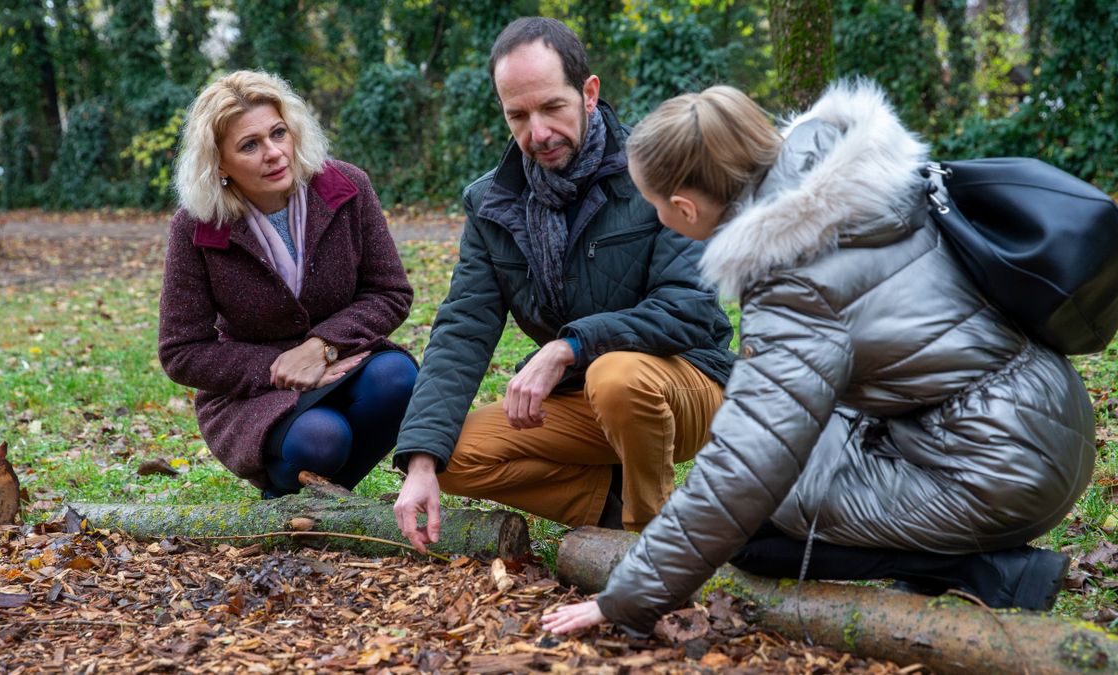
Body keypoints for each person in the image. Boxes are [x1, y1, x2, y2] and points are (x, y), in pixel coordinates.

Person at [542, 81, 1096, 635]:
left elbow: (742, 470)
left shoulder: (792, 282)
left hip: (998, 471)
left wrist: (625, 598)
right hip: (1043, 422)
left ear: (685, 207)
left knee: (754, 529)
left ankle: (991, 572)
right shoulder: (846, 184)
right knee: (782, 476)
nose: (658, 217)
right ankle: (951, 559)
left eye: (656, 205)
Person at [391, 17, 737, 548]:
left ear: (588, 93)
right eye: (518, 115)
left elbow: (687, 309)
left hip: (685, 383)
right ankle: (608, 508)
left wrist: (569, 346)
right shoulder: (492, 203)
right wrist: (419, 459)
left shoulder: (661, 169)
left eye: (552, 107)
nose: (539, 133)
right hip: (580, 398)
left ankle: (654, 540)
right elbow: (462, 328)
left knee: (618, 377)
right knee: (447, 457)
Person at [158, 70, 418, 498]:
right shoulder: (198, 226)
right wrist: (279, 367)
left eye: (278, 133)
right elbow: (181, 350)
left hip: (345, 363)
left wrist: (321, 347)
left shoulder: (346, 187)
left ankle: (318, 501)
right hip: (255, 394)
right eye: (250, 145)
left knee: (399, 379)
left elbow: (390, 293)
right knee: (322, 439)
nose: (274, 152)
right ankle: (289, 497)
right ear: (219, 163)